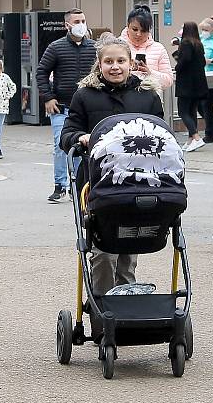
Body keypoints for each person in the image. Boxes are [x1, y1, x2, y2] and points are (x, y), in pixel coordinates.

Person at [59, 35, 164, 297]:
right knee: (104, 251)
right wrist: (79, 137)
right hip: (97, 182)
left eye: (120, 61)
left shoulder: (147, 96)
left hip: (138, 180)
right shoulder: (85, 95)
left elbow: (163, 134)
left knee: (130, 245)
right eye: (108, 62)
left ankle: (127, 303)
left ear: (131, 63)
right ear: (99, 65)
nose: (115, 67)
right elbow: (67, 134)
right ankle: (103, 308)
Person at [36, 8, 97, 203]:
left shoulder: (95, 48)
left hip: (86, 108)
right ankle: (60, 185)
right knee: (60, 145)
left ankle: (78, 186)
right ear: (67, 25)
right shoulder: (56, 47)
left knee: (84, 147)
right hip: (62, 107)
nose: (81, 25)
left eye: (83, 20)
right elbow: (41, 72)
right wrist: (48, 97)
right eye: (77, 21)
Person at [172, 22, 210, 152]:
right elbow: (203, 62)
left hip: (186, 84)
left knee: (183, 111)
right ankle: (190, 140)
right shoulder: (199, 44)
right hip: (198, 84)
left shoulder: (186, 44)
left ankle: (196, 137)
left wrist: (177, 66)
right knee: (192, 111)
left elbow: (185, 60)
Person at [119, 5, 174, 91]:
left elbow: (169, 81)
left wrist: (150, 72)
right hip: (122, 99)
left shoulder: (159, 48)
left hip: (151, 100)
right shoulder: (116, 47)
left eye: (143, 31)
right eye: (135, 29)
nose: (138, 34)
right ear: (128, 26)